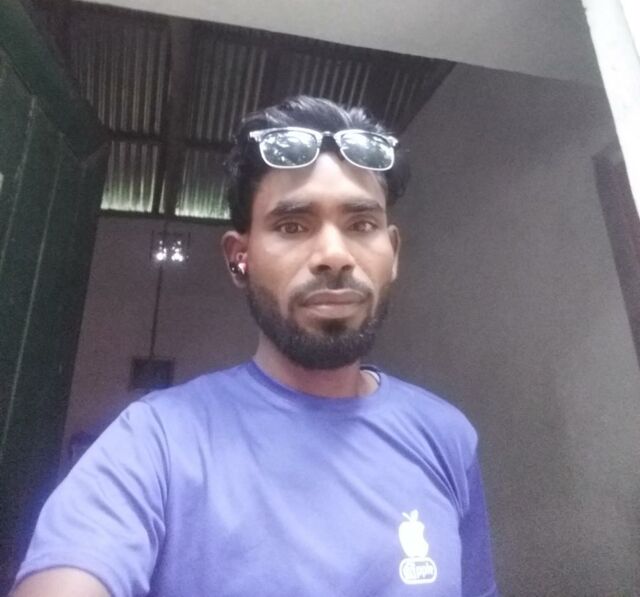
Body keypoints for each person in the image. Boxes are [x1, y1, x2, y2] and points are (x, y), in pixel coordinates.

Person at [13, 95, 498, 597]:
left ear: (392, 253)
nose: (334, 255)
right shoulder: (155, 441)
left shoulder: (446, 437)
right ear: (239, 258)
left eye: (361, 224)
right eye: (292, 225)